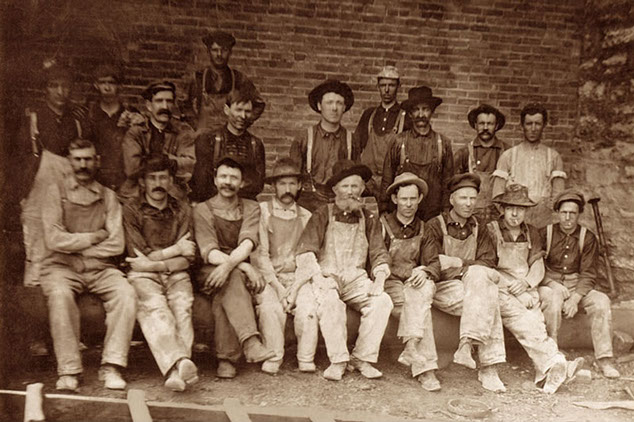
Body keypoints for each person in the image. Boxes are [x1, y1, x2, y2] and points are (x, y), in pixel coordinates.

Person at [39, 139, 136, 392]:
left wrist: (77, 249)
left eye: (88, 159)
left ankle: (112, 365)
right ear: (69, 162)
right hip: (61, 267)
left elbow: (115, 244)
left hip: (100, 268)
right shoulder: (54, 191)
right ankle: (69, 370)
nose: (83, 165)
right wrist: (92, 237)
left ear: (97, 161)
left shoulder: (108, 196)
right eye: (78, 159)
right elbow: (53, 239)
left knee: (126, 293)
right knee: (60, 295)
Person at [294, 160, 393, 381]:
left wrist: (379, 278)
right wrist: (318, 277)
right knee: (330, 302)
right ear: (336, 190)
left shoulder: (369, 218)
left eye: (355, 187)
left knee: (383, 301)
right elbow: (306, 250)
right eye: (345, 186)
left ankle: (362, 357)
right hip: (327, 275)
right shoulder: (322, 214)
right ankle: (338, 360)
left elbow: (379, 251)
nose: (350, 192)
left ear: (362, 190)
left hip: (356, 278)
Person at [488, 184, 585, 394]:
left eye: (521, 209)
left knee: (538, 315)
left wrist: (527, 284)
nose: (515, 214)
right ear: (502, 209)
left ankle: (547, 371)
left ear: (526, 211)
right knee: (527, 321)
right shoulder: (492, 230)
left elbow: (538, 264)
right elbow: (487, 268)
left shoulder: (531, 231)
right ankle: (555, 363)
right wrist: (516, 290)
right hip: (501, 287)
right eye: (511, 208)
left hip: (525, 287)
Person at [122, 154, 199, 391]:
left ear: (170, 181)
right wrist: (174, 251)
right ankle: (181, 364)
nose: (158, 183)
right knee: (155, 307)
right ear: (143, 182)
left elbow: (188, 259)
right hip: (143, 276)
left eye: (163, 178)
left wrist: (154, 263)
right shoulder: (131, 209)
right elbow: (137, 256)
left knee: (182, 305)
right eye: (152, 178)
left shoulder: (181, 209)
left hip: (172, 273)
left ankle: (176, 371)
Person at [193, 155, 274, 378]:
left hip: (230, 269)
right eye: (223, 176)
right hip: (210, 270)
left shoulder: (251, 207)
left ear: (242, 183)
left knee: (227, 288)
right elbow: (208, 251)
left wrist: (231, 267)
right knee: (234, 277)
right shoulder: (201, 209)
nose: (227, 182)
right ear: (215, 179)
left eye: (234, 178)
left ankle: (226, 360)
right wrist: (243, 267)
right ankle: (249, 341)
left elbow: (247, 242)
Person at [426, 173, 506, 392]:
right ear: (452, 199)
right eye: (463, 198)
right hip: (444, 287)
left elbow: (489, 261)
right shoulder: (434, 225)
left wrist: (457, 262)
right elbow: (433, 264)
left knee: (483, 283)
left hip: (473, 285)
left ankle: (466, 347)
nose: (469, 204)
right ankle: (489, 367)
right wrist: (467, 269)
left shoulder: (480, 227)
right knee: (489, 298)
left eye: (473, 198)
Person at [538, 189, 619, 378]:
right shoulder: (545, 234)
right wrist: (551, 282)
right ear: (557, 212)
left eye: (572, 213)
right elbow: (534, 266)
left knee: (601, 301)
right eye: (564, 212)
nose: (568, 218)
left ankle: (604, 359)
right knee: (553, 299)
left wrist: (575, 298)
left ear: (579, 214)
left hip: (577, 285)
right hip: (551, 283)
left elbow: (589, 273)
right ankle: (552, 354)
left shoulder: (587, 237)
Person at [251, 157, 318, 374]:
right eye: (282, 184)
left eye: (292, 184)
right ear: (273, 186)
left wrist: (296, 288)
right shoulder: (262, 212)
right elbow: (260, 255)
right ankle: (274, 355)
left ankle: (305, 357)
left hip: (297, 278)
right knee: (270, 308)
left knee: (308, 308)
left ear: (299, 186)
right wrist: (279, 288)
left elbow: (307, 257)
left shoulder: (307, 216)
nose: (287, 189)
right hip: (269, 277)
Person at [379, 172, 443, 391]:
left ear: (420, 199)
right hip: (389, 284)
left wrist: (424, 270)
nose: (408, 204)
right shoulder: (382, 225)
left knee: (421, 290)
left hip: (411, 286)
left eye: (413, 199)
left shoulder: (424, 228)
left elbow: (434, 263)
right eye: (404, 199)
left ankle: (413, 350)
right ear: (395, 199)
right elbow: (373, 259)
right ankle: (426, 370)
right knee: (419, 309)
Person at [381, 86, 454, 221]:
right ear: (410, 114)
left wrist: (446, 213)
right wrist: (384, 210)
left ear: (432, 112)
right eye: (416, 110)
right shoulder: (398, 142)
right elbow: (387, 177)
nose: (421, 114)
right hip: (403, 216)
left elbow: (447, 183)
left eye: (425, 109)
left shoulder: (443, 143)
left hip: (433, 217)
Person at [492, 103, 566, 228]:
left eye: (537, 124)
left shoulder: (553, 157)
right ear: (522, 125)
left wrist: (547, 218)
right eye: (529, 123)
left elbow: (559, 198)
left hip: (543, 222)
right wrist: (512, 219)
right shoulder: (508, 155)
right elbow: (497, 196)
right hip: (515, 223)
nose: (533, 128)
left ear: (544, 125)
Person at [189, 81, 266, 202]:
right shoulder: (208, 140)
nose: (243, 116)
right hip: (214, 205)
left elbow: (257, 184)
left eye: (247, 111)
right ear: (227, 110)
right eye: (238, 110)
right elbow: (202, 183)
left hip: (244, 206)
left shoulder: (256, 144)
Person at [121, 81, 196, 201]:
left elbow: (188, 165)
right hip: (137, 192)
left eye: (169, 101)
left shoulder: (183, 132)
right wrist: (170, 162)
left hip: (172, 192)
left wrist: (151, 159)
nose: (165, 107)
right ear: (149, 105)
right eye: (159, 101)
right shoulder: (136, 132)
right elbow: (132, 168)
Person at [290, 80, 358, 211]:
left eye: (339, 103)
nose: (334, 108)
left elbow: (356, 179)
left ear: (344, 107)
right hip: (308, 204)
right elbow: (293, 179)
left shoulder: (351, 140)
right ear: (319, 106)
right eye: (329, 102)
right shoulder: (303, 138)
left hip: (340, 204)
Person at [183, 30, 264, 131]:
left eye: (224, 50)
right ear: (208, 52)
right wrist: (196, 125)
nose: (219, 54)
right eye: (215, 50)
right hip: (204, 136)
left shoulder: (239, 78)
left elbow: (259, 103)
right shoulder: (198, 77)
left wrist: (242, 121)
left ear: (230, 52)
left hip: (230, 134)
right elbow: (183, 103)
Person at [353, 66, 410, 198]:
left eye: (391, 85)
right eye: (382, 85)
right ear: (377, 87)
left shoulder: (405, 117)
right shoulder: (369, 115)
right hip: (368, 185)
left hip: (394, 184)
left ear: (398, 86)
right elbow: (356, 148)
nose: (386, 90)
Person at [85, 64, 136, 191]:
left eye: (111, 83)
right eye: (102, 83)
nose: (107, 87)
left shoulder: (130, 114)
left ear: (119, 86)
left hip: (124, 180)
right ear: (96, 85)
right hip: (96, 179)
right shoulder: (89, 114)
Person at [454, 104, 508, 222]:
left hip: (499, 216)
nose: (485, 127)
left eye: (490, 124)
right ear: (475, 125)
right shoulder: (464, 153)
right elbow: (453, 189)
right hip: (471, 215)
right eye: (481, 123)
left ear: (496, 126)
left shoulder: (507, 153)